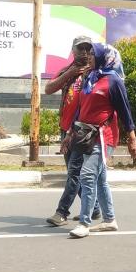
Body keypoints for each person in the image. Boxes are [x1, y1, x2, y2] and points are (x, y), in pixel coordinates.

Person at [68, 43, 136, 238]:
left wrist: (132, 138)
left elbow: (125, 112)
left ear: (103, 57)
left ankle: (84, 223)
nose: (88, 56)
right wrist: (69, 134)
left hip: (103, 136)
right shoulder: (90, 78)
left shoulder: (113, 81)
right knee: (100, 179)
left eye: (92, 54)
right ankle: (109, 220)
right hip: (85, 135)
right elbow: (80, 109)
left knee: (87, 175)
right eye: (88, 54)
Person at [45, 36, 101, 226]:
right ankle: (94, 209)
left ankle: (62, 212)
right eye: (80, 49)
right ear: (73, 51)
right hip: (65, 129)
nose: (84, 53)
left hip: (83, 130)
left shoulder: (96, 72)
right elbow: (48, 89)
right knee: (72, 171)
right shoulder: (66, 71)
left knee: (74, 172)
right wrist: (71, 73)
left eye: (88, 49)